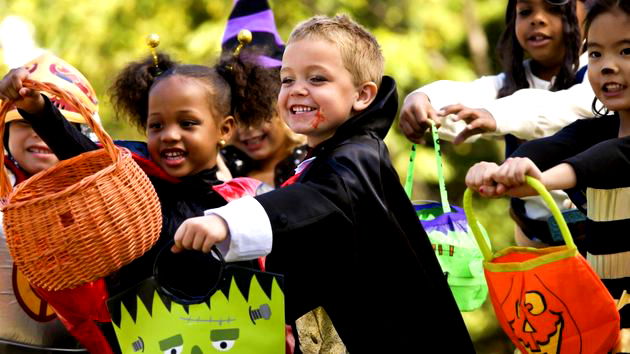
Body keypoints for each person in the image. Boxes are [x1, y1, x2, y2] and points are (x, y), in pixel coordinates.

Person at [172, 14, 474, 352]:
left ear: (362, 96)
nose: (297, 89)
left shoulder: (358, 158)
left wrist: (227, 221)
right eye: (287, 80)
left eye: (317, 78)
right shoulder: (322, 160)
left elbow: (322, 198)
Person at [0, 52, 266, 353]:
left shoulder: (246, 205)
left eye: (188, 123)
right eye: (156, 126)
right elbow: (84, 155)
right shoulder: (131, 181)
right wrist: (39, 111)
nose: (170, 135)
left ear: (225, 129)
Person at [466, 0, 630, 349]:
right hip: (603, 322)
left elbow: (610, 159)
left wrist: (539, 179)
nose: (607, 67)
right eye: (596, 54)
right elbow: (553, 146)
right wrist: (502, 172)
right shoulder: (595, 129)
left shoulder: (610, 149)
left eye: (626, 51)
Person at [404, 0, 587, 249]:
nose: (538, 19)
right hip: (533, 242)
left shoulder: (598, 76)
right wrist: (423, 99)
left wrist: (494, 114)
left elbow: (564, 106)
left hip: (598, 240)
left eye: (554, 8)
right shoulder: (511, 82)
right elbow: (470, 94)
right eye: (525, 12)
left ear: (588, 9)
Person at [0, 52, 93, 352]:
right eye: (25, 123)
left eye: (48, 125)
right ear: (5, 131)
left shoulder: (98, 197)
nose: (39, 134)